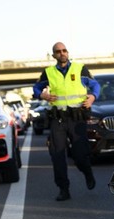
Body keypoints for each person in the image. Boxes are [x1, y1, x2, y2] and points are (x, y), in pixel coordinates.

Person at [32, 42, 101, 202]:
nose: (62, 53)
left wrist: (92, 97)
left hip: (77, 119)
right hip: (58, 119)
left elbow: (95, 85)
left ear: (67, 52)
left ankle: (87, 172)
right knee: (57, 155)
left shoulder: (79, 68)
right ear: (54, 55)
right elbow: (36, 88)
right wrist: (42, 95)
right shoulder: (49, 72)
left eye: (64, 50)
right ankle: (63, 189)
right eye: (58, 51)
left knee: (79, 155)